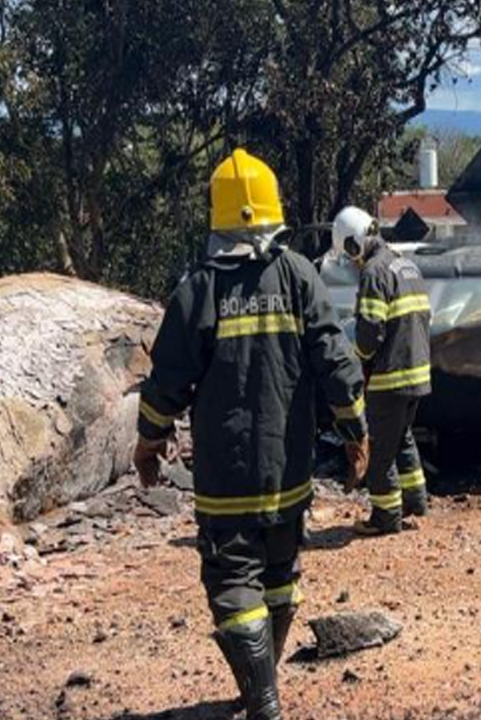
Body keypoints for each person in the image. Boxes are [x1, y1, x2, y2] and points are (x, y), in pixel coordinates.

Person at [132, 149, 369, 720]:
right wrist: (355, 427)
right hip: (289, 468)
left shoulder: (199, 290)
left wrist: (148, 441)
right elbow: (336, 359)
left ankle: (262, 698)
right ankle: (260, 686)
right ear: (271, 212)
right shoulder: (298, 276)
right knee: (280, 572)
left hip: (225, 473)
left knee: (233, 579)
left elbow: (166, 382)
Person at [330, 206, 432, 537]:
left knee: (379, 451)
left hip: (391, 377)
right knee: (402, 439)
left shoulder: (374, 272)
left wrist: (358, 360)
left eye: (349, 253)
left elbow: (370, 332)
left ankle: (385, 518)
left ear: (353, 243)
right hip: (417, 374)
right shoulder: (407, 266)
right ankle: (416, 504)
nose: (351, 261)